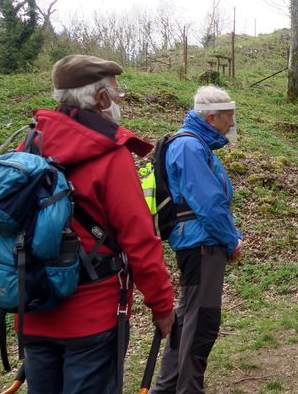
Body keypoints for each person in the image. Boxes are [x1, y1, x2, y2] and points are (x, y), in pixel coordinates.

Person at [19, 54, 175, 393]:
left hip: (31, 307)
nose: (118, 102)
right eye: (116, 95)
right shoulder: (110, 154)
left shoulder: (30, 144)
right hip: (92, 317)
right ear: (101, 99)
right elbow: (139, 239)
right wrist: (161, 304)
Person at [152, 86, 243, 394]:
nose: (232, 123)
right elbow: (209, 202)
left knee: (189, 317)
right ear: (211, 117)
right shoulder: (190, 148)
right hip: (202, 245)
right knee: (201, 322)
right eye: (229, 117)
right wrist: (232, 240)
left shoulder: (193, 145)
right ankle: (188, 389)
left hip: (197, 243)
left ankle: (166, 388)